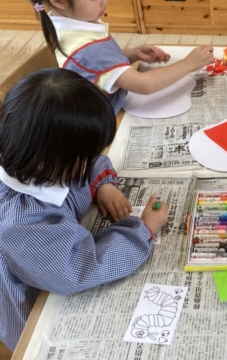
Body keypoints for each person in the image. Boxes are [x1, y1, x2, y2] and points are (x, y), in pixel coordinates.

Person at [0, 69, 169, 351]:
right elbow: (81, 267)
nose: (92, 161)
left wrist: (104, 184)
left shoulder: (37, 160)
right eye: (86, 157)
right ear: (46, 161)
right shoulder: (21, 225)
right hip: (35, 314)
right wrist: (143, 229)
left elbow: (91, 165)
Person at [22, 0, 214, 114]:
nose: (104, 0)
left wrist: (132, 53)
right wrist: (188, 64)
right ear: (58, 0)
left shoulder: (64, 20)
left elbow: (98, 66)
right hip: (106, 119)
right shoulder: (88, 48)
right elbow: (144, 84)